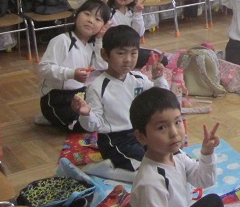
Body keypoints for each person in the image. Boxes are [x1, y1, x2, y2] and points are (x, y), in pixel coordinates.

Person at [72, 25, 168, 171]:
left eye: (133, 53)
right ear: (105, 54)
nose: (128, 60)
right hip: (115, 140)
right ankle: (102, 170)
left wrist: (158, 78)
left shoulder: (139, 79)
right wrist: (86, 114)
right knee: (145, 168)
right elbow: (94, 125)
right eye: (121, 53)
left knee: (168, 154)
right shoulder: (97, 87)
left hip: (141, 133)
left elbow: (162, 100)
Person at [37, 0, 110, 130]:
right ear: (76, 16)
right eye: (87, 14)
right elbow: (43, 68)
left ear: (102, 27)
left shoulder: (91, 45)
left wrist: (100, 39)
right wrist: (71, 74)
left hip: (79, 94)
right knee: (88, 125)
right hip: (56, 98)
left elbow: (102, 65)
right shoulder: (62, 40)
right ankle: (51, 115)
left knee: (105, 111)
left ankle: (56, 118)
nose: (90, 20)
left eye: (98, 19)